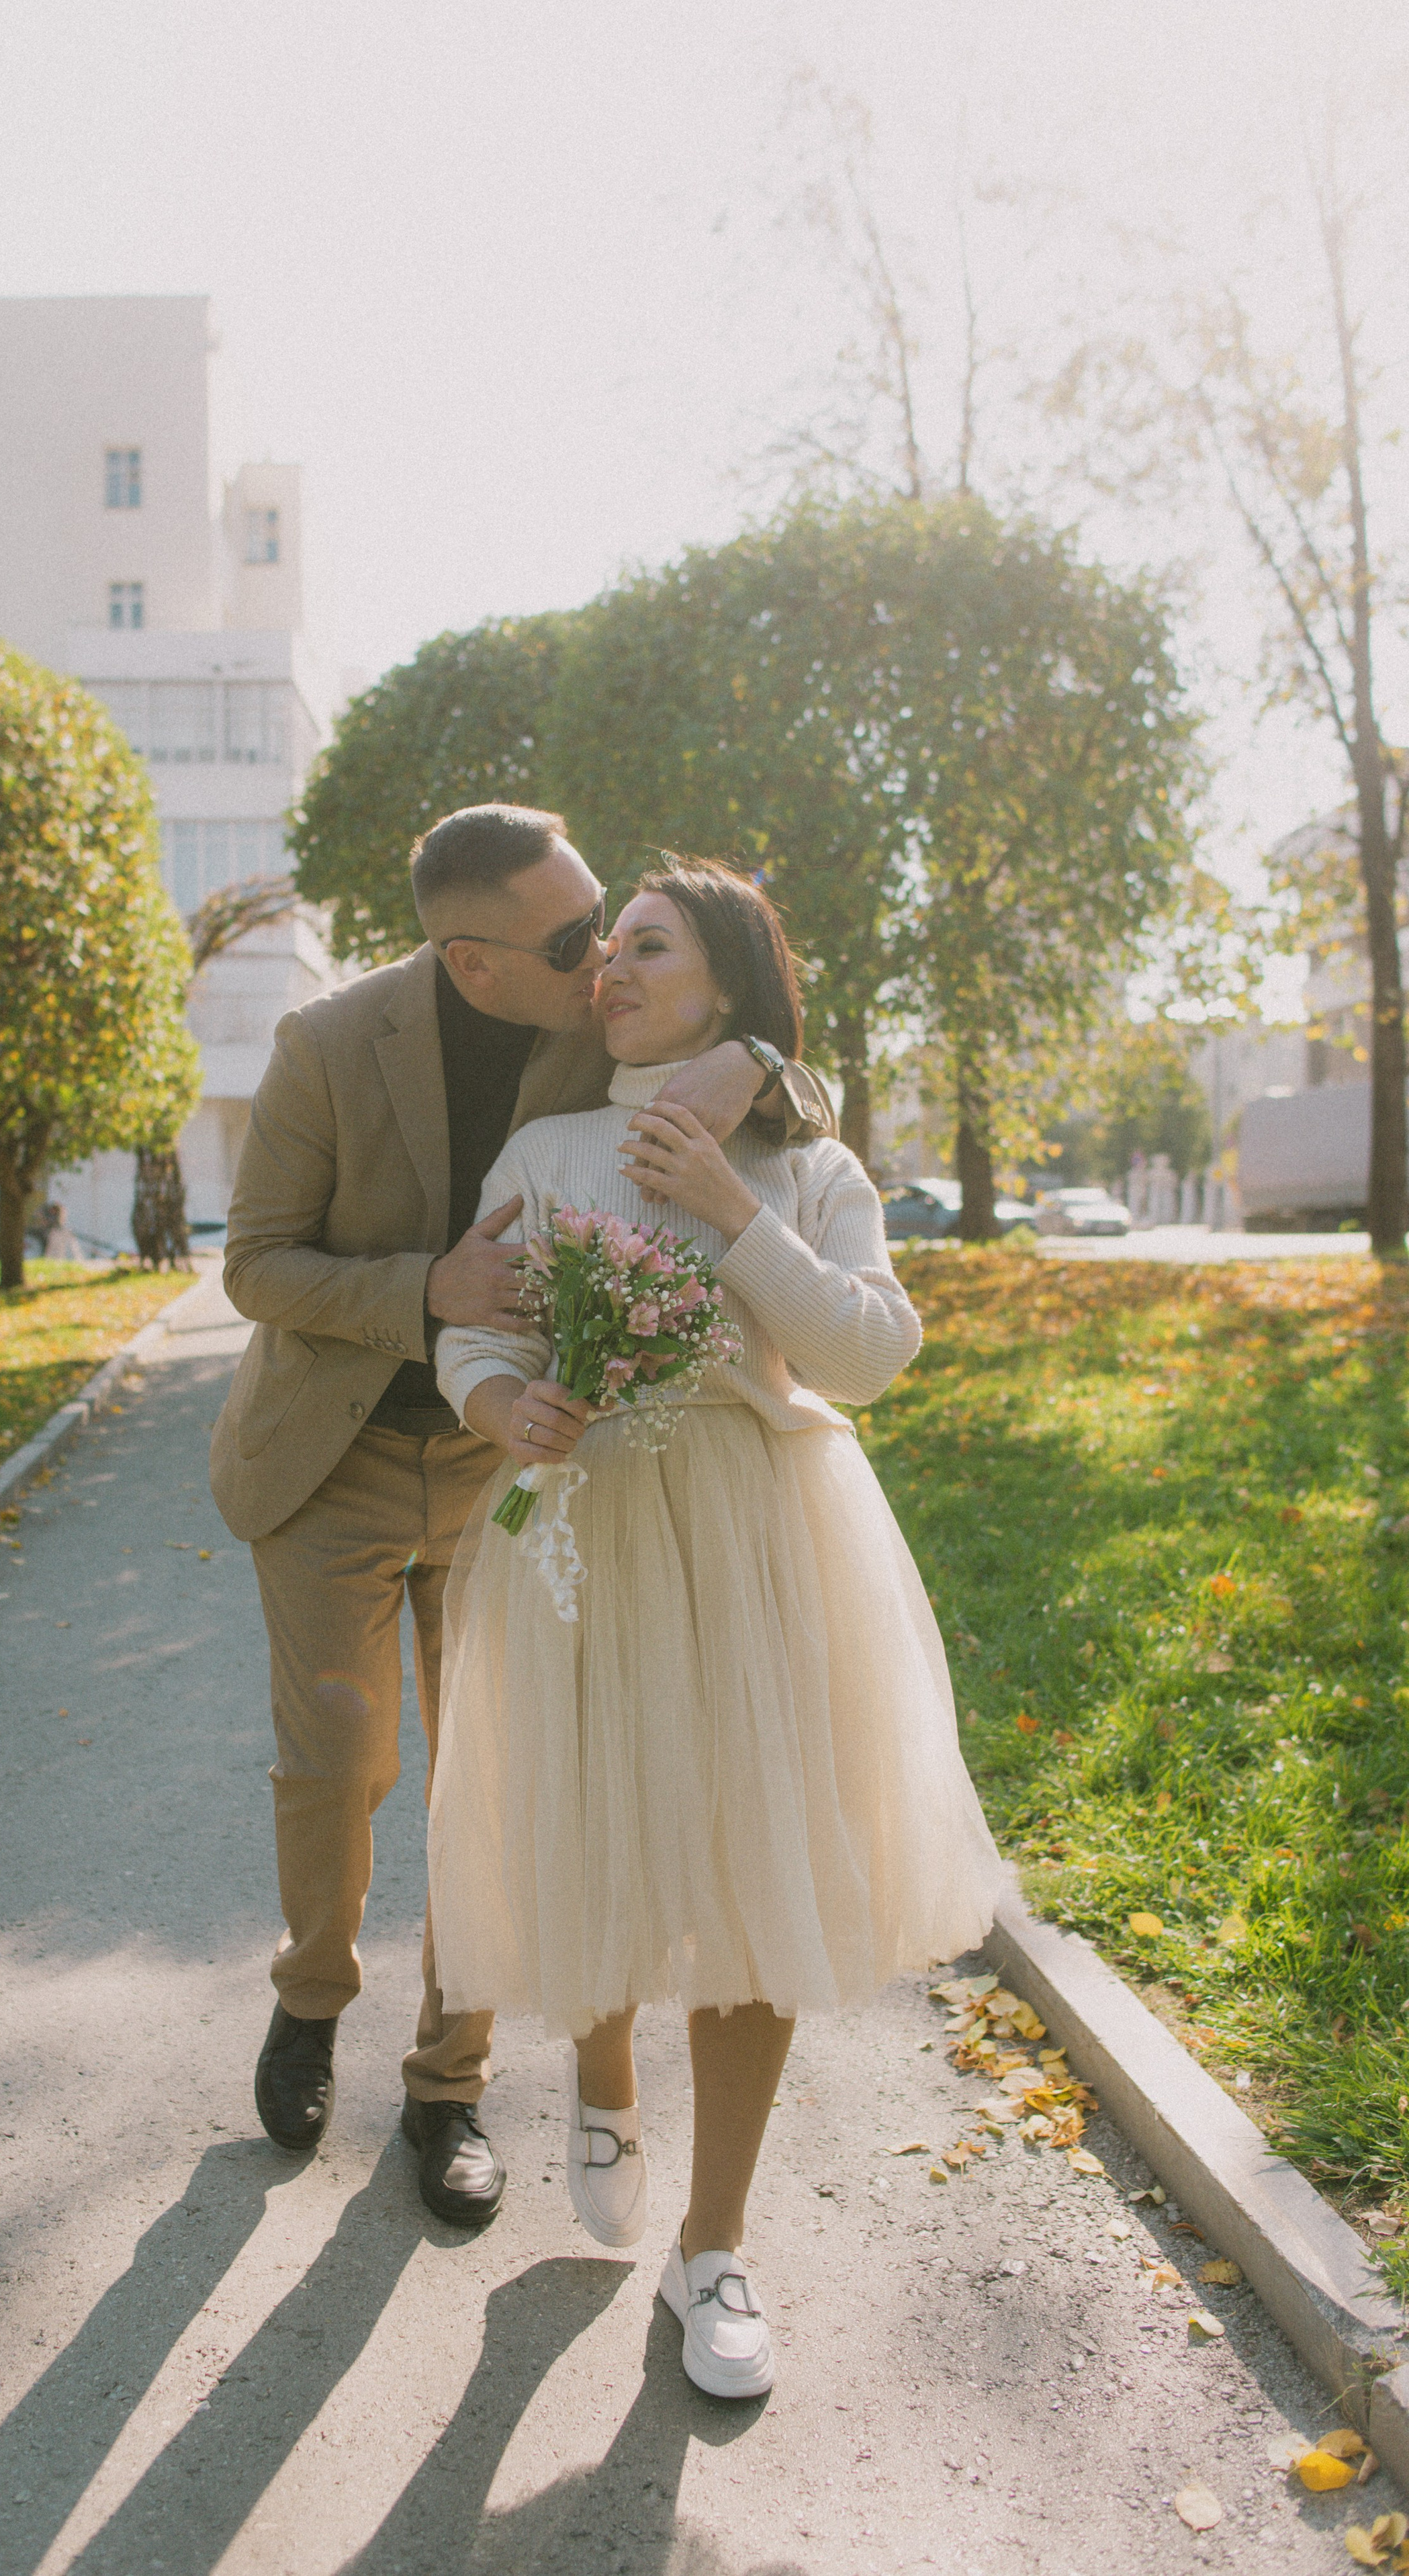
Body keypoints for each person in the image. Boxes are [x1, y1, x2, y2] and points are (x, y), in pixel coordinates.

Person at [211, 806, 835, 2229]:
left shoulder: (602, 1019)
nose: (602, 954)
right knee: (343, 1758)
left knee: (484, 1773)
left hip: (518, 1474)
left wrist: (757, 1056)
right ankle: (311, 1997)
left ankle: (450, 2084)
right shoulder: (323, 1045)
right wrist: (423, 1290)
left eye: (607, 922)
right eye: (571, 940)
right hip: (333, 1452)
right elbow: (255, 1266)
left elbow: (757, 1042)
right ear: (470, 960)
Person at [428, 858, 1003, 2389]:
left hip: (761, 1540)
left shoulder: (804, 1160)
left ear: (728, 983)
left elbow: (868, 1349)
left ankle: (714, 2250)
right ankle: (602, 2072)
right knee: (600, 1832)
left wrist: (732, 1201)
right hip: (589, 1526)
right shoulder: (546, 1144)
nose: (609, 962)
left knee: (753, 1873)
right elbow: (473, 1324)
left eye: (650, 944)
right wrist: (502, 1399)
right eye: (606, 944)